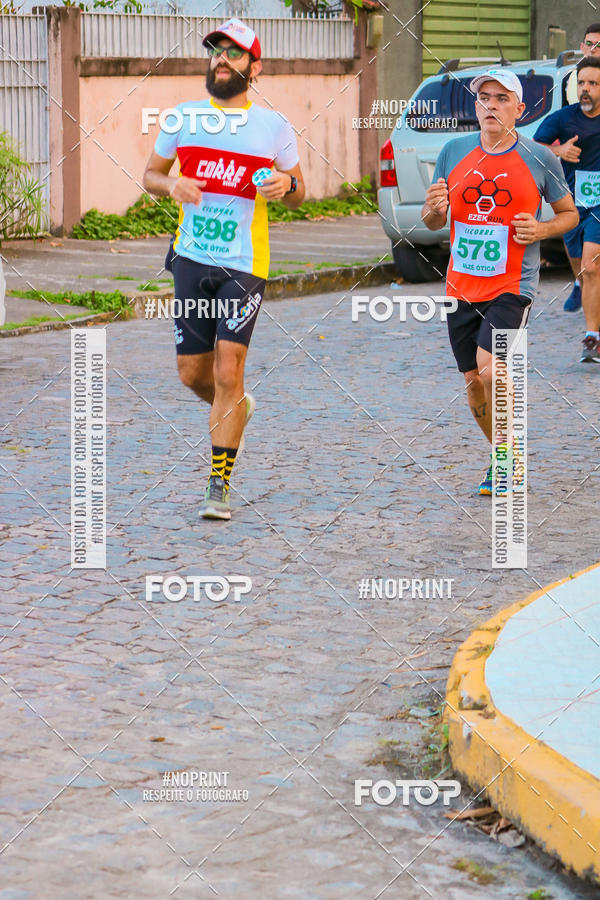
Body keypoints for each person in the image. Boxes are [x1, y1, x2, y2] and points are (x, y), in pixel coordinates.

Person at [143, 18, 305, 520]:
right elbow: (149, 174)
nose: (221, 59)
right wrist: (172, 187)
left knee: (228, 369)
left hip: (243, 263)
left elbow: (301, 191)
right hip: (191, 258)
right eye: (216, 50)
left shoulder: (273, 127)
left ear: (255, 67)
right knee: (192, 374)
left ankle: (219, 484)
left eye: (234, 53)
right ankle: (235, 405)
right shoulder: (182, 118)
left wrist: (284, 187)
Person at [422, 69, 578, 495]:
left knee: (493, 371)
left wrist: (541, 230)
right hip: (460, 286)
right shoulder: (453, 152)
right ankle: (504, 455)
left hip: (513, 284)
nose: (491, 105)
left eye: (502, 99)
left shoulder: (539, 158)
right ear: (476, 106)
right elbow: (433, 219)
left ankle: (507, 461)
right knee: (474, 387)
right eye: (484, 98)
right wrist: (435, 209)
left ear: (519, 109)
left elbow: (570, 215)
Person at [534, 57, 600, 361]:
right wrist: (558, 150)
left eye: (593, 84)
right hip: (573, 204)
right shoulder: (564, 118)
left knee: (592, 264)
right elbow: (533, 148)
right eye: (582, 83)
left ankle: (591, 336)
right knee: (582, 269)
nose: (585, 89)